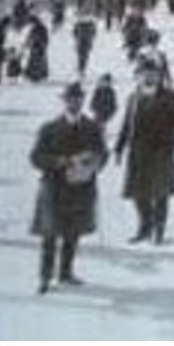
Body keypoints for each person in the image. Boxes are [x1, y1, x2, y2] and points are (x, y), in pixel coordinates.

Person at [30, 82, 108, 293]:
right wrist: (60, 161)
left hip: (80, 188)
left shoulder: (92, 128)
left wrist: (92, 164)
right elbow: (36, 157)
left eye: (78, 98)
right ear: (64, 101)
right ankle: (45, 277)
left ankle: (65, 272)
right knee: (49, 234)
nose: (74, 102)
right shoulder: (49, 128)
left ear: (83, 101)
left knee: (73, 233)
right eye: (70, 98)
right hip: (53, 188)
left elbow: (102, 154)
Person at [114, 59, 174, 244]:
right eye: (145, 73)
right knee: (139, 193)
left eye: (153, 73)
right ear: (139, 76)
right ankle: (145, 227)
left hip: (162, 151)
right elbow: (126, 125)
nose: (149, 77)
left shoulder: (171, 97)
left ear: (159, 75)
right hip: (138, 152)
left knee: (160, 193)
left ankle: (159, 231)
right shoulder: (134, 97)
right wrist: (119, 147)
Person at [24, 15, 50, 83]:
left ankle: (38, 76)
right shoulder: (35, 29)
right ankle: (34, 76)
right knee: (34, 61)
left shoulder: (41, 28)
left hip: (39, 47)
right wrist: (27, 44)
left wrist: (43, 45)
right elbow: (29, 38)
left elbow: (45, 38)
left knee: (38, 61)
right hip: (35, 47)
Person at [72, 14, 98, 79]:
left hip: (80, 42)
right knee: (85, 56)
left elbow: (74, 33)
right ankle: (82, 69)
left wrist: (76, 38)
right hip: (87, 42)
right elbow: (94, 33)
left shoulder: (79, 25)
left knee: (81, 56)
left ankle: (81, 68)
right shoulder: (91, 26)